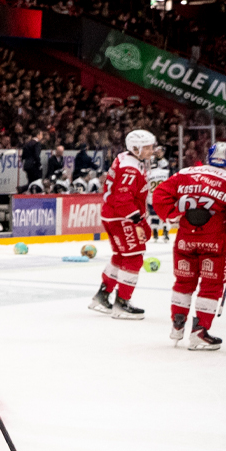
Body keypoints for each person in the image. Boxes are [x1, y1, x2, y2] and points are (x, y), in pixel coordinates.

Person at [151, 141, 226, 350]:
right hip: (216, 241)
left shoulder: (185, 173)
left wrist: (173, 216)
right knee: (211, 285)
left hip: (185, 239)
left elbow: (159, 195)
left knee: (183, 282)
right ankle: (199, 332)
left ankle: (177, 325)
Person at [89, 129, 157, 319]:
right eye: (148, 147)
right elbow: (122, 199)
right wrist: (138, 221)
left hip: (115, 215)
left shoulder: (127, 159)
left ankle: (102, 295)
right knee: (134, 257)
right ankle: (122, 302)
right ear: (136, 148)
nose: (152, 150)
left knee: (121, 256)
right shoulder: (130, 168)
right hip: (122, 218)